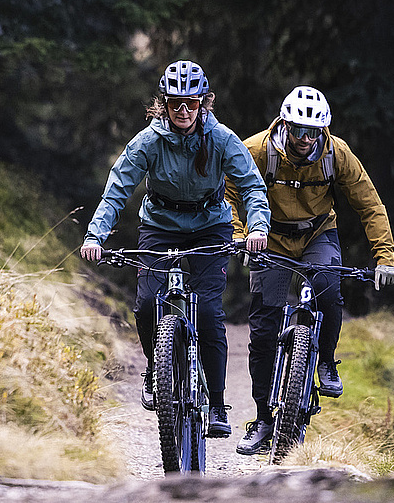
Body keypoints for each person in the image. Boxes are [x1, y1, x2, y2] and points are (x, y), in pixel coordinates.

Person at [80, 60, 271, 439]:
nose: (183, 111)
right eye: (175, 103)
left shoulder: (222, 139)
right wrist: (94, 236)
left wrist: (258, 227)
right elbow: (117, 189)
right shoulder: (148, 142)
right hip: (160, 227)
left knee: (210, 313)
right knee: (148, 304)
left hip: (211, 228)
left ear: (205, 103)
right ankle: (159, 366)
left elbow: (251, 186)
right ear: (163, 104)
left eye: (191, 103)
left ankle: (217, 405)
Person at [224, 86, 394, 455]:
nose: (304, 139)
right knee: (265, 327)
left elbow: (370, 205)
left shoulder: (338, 155)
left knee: (328, 287)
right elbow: (230, 194)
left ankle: (325, 361)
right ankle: (263, 419)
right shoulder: (257, 150)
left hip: (318, 233)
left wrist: (385, 258)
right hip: (268, 238)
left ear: (323, 131)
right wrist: (241, 236)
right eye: (297, 129)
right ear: (284, 123)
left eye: (312, 131)